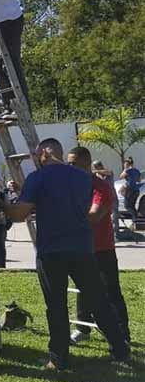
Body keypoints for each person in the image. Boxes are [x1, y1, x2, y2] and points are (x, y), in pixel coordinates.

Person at [0, 139, 130, 370]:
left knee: (56, 306)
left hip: (52, 251)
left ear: (44, 153)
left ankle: (58, 359)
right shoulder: (82, 178)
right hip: (82, 249)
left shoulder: (37, 178)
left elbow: (19, 214)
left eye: (38, 154)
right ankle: (120, 350)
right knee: (98, 301)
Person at [68, 147, 130, 346]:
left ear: (86, 164)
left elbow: (94, 217)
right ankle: (83, 328)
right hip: (79, 248)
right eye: (67, 163)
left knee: (111, 291)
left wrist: (63, 219)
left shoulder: (100, 187)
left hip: (101, 248)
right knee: (83, 289)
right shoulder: (71, 186)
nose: (69, 168)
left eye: (73, 164)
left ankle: (122, 336)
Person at [92, 161, 120, 231]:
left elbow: (107, 172)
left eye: (95, 167)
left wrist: (95, 171)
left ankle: (115, 232)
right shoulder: (97, 175)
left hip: (112, 197)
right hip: (102, 199)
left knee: (114, 215)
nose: (95, 169)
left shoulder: (108, 172)